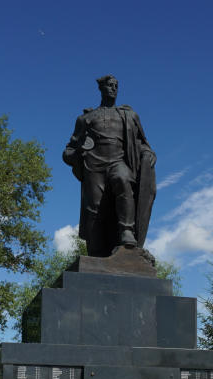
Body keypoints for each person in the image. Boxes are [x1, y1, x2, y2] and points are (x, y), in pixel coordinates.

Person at [63, 75, 156, 257]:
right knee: (94, 210)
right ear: (101, 89)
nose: (113, 89)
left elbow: (141, 143)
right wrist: (78, 152)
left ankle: (127, 231)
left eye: (116, 86)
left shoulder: (128, 115)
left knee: (123, 179)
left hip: (118, 161)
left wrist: (148, 153)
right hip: (94, 166)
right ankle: (97, 253)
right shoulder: (86, 119)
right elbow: (68, 151)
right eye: (109, 86)